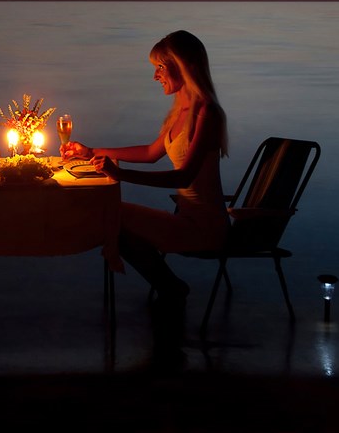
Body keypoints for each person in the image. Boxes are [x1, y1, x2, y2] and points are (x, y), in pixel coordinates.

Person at [61, 30, 229, 313]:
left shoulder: (206, 113)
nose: (156, 76)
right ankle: (170, 287)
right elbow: (151, 154)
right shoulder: (181, 111)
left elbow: (183, 177)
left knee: (112, 214)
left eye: (160, 67)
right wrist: (93, 152)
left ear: (183, 65)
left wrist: (120, 175)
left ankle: (171, 288)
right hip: (185, 217)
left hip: (205, 229)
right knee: (112, 215)